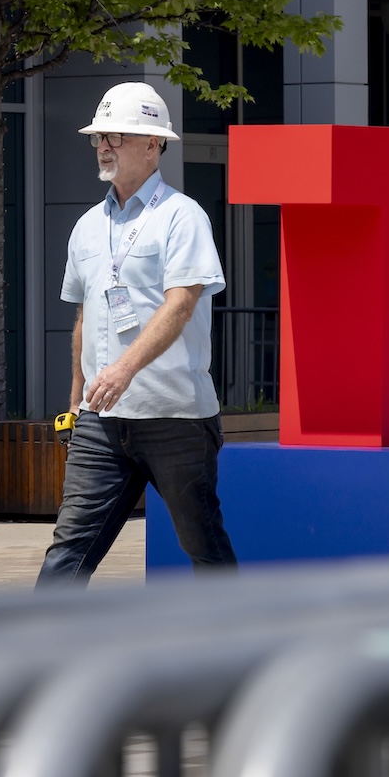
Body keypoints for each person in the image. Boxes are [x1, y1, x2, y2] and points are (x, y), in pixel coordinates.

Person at [35, 81, 237, 586]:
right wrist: (77, 402)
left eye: (117, 136)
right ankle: (32, 656)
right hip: (100, 424)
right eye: (99, 137)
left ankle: (241, 649)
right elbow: (86, 316)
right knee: (68, 552)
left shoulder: (182, 217)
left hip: (175, 417)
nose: (104, 145)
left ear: (153, 145)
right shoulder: (85, 227)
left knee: (203, 547)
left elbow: (182, 303)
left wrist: (124, 368)